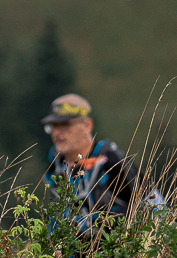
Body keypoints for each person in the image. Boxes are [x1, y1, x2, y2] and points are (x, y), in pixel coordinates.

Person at [41, 93, 162, 235]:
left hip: (116, 246)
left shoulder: (111, 161)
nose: (57, 133)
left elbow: (156, 206)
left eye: (65, 125)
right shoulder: (55, 167)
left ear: (87, 125)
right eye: (53, 126)